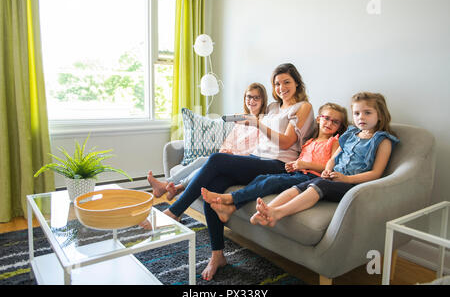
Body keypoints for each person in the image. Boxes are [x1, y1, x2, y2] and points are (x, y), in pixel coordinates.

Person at [159, 63, 316, 281]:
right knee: (212, 187)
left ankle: (174, 211)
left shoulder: (303, 107)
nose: (281, 87)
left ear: (297, 82)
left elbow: (288, 141)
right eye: (277, 83)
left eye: (286, 82)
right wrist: (248, 122)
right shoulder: (272, 107)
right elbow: (259, 129)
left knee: (216, 159)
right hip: (257, 158)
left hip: (279, 163)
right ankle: (217, 255)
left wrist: (257, 124)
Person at [251, 92, 399, 227]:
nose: (361, 117)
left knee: (321, 185)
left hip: (353, 186)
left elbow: (376, 173)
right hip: (333, 178)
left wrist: (347, 179)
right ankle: (267, 210)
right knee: (301, 186)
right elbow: (333, 159)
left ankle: (278, 213)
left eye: (367, 113)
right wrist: (327, 170)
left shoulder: (382, 140)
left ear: (380, 115)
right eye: (357, 113)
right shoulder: (350, 134)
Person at [201, 102, 348, 223]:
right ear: (318, 119)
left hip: (312, 178)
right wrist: (294, 164)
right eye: (326, 118)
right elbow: (300, 160)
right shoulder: (309, 141)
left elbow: (330, 167)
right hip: (297, 174)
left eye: (335, 121)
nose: (329, 123)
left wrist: (305, 165)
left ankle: (231, 198)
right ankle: (231, 209)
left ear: (340, 126)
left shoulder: (334, 142)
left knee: (272, 181)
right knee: (262, 178)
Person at [145, 82, 268, 201]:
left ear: (262, 101)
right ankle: (169, 185)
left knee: (207, 162)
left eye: (256, 98)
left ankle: (173, 187)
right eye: (249, 97)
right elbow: (228, 142)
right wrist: (224, 150)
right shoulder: (240, 120)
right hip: (228, 159)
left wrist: (234, 155)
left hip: (243, 163)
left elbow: (257, 151)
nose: (251, 101)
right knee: (202, 160)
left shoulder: (264, 122)